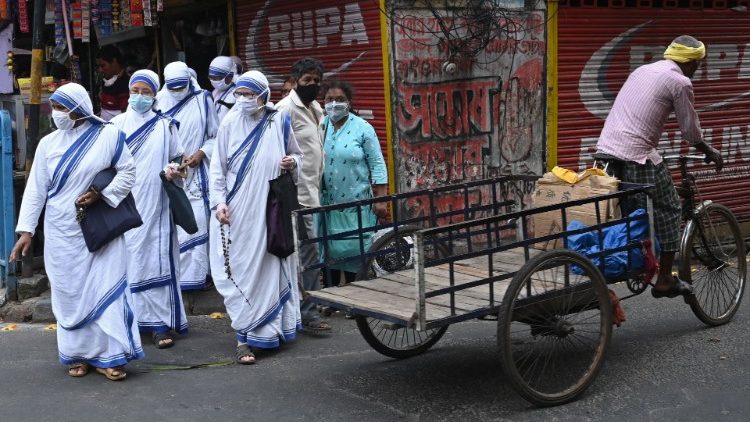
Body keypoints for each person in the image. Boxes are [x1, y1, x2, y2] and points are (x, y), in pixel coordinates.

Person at [10, 82, 142, 380]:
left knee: (105, 288)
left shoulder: (109, 135)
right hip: (61, 231)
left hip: (100, 227)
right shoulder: (48, 144)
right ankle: (78, 355)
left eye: (61, 108)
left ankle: (110, 357)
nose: (55, 113)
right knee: (68, 293)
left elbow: (128, 171)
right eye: (54, 107)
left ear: (78, 109)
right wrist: (26, 230)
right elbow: (36, 189)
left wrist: (100, 194)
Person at [595, 35, 722, 299]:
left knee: (631, 211)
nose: (697, 69)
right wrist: (710, 151)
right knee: (671, 207)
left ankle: (633, 259)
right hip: (636, 154)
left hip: (606, 151)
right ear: (691, 63)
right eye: (698, 64)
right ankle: (664, 279)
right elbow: (690, 132)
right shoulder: (680, 82)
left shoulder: (643, 70)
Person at [208, 70, 303, 364]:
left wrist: (292, 162)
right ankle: (243, 334)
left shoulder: (279, 120)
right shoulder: (229, 122)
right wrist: (219, 203)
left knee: (269, 267)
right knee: (239, 271)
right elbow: (217, 169)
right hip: (237, 210)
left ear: (263, 96)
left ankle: (266, 334)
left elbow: (298, 155)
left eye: (250, 94)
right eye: (240, 94)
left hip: (270, 208)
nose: (244, 99)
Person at [110, 70, 189, 348]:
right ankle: (127, 321)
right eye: (136, 91)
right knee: (126, 261)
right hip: (124, 205)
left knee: (155, 260)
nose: (140, 96)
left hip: (157, 204)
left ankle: (159, 325)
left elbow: (180, 160)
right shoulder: (115, 126)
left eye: (146, 92)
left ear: (155, 95)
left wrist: (174, 170)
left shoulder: (166, 125)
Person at [275, 57, 330, 333]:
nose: (313, 85)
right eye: (307, 80)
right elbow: (276, 150)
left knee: (307, 253)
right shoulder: (284, 109)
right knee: (306, 254)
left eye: (316, 81)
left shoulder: (316, 108)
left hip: (311, 192)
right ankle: (306, 313)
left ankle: (302, 309)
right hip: (294, 194)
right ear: (295, 81)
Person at [156, 61, 219, 291]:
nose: (177, 92)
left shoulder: (203, 100)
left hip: (197, 174)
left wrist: (201, 153)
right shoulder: (157, 102)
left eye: (181, 87)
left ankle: (198, 277)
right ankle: (176, 276)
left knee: (198, 222)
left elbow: (215, 136)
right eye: (172, 88)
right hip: (170, 175)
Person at [320, 81, 388, 285]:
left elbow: (377, 163)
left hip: (357, 205)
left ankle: (355, 295)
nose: (334, 104)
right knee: (329, 258)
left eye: (339, 99)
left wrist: (381, 199)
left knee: (356, 257)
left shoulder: (363, 128)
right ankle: (331, 297)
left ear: (349, 102)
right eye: (329, 99)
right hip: (328, 206)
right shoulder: (320, 126)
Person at [96, 44, 129, 121]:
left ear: (114, 61)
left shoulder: (124, 84)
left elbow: (125, 116)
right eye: (98, 66)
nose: (100, 70)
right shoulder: (106, 80)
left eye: (103, 66)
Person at [208, 56, 237, 123]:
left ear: (230, 76)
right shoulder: (215, 92)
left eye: (217, 78)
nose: (213, 81)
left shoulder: (236, 95)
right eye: (211, 77)